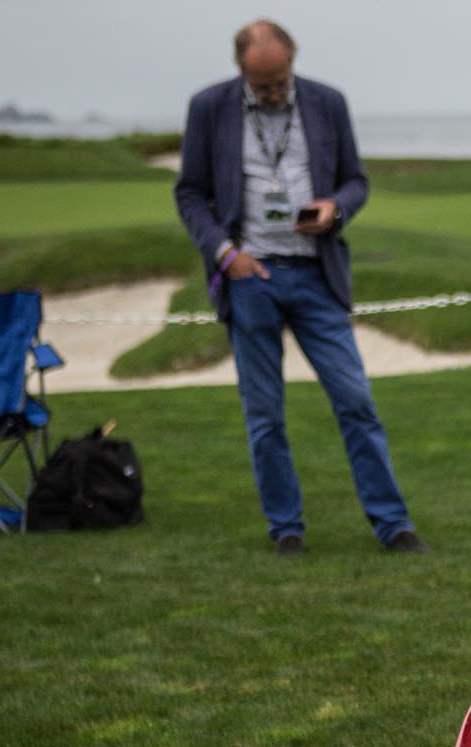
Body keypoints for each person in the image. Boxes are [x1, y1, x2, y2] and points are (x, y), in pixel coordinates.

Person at [174, 19, 426, 556]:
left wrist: (336, 209)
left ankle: (394, 525)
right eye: (262, 83)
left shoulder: (328, 103)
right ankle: (286, 530)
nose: (273, 90)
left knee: (356, 402)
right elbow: (191, 194)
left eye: (280, 78)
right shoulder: (208, 108)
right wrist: (226, 254)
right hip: (250, 279)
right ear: (241, 70)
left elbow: (356, 180)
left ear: (293, 61)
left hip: (316, 275)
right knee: (265, 415)